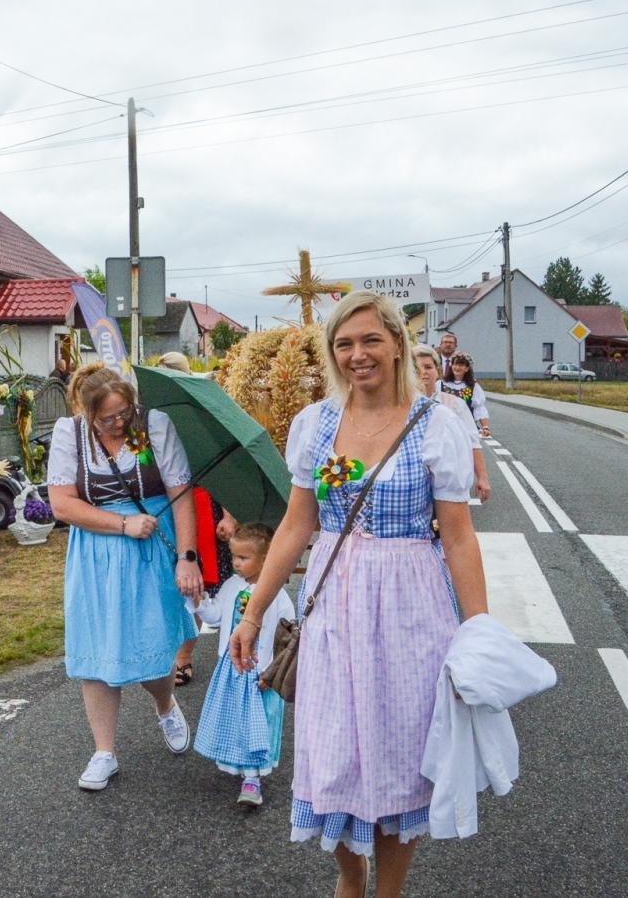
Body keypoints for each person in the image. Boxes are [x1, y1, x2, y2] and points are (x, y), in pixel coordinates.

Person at [229, 291, 488, 898]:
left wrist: (479, 633)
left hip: (411, 608)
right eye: (344, 344)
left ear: (397, 343)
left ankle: (389, 890)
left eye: (370, 340)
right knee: (336, 752)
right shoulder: (315, 424)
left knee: (401, 754)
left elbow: (458, 537)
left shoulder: (436, 424)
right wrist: (255, 612)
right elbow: (296, 525)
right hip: (335, 609)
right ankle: (350, 881)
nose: (357, 355)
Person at [46, 362, 202, 791]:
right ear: (87, 413)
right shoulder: (69, 434)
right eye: (108, 418)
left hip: (152, 547)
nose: (119, 423)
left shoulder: (155, 424)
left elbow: (181, 494)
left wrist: (187, 557)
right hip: (96, 552)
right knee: (95, 651)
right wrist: (121, 524)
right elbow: (62, 505)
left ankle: (165, 703)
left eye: (124, 413)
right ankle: (104, 751)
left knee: (152, 645)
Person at [192, 523, 294, 808]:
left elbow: (286, 636)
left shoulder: (276, 595)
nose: (236, 563)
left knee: (259, 721)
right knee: (235, 717)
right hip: (233, 666)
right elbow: (215, 618)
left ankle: (253, 779)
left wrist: (272, 672)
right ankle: (236, 761)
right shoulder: (231, 586)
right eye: (234, 556)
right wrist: (198, 600)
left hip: (260, 671)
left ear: (266, 558)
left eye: (244, 558)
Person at [155, 350, 237, 688]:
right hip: (165, 508)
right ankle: (176, 654)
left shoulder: (205, 416)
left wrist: (231, 515)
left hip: (206, 507)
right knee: (175, 589)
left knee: (207, 590)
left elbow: (230, 466)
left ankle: (196, 657)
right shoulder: (149, 418)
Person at [414, 344, 490, 503]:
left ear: (438, 371)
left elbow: (472, 440)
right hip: (412, 480)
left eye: (428, 367)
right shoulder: (397, 405)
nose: (423, 372)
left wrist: (482, 477)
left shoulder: (457, 401)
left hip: (445, 478)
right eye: (416, 367)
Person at [440, 352, 491, 438]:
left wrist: (485, 427)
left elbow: (479, 407)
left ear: (467, 368)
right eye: (455, 364)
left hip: (467, 428)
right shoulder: (441, 384)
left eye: (461, 365)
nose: (457, 367)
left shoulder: (473, 387)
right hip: (446, 428)